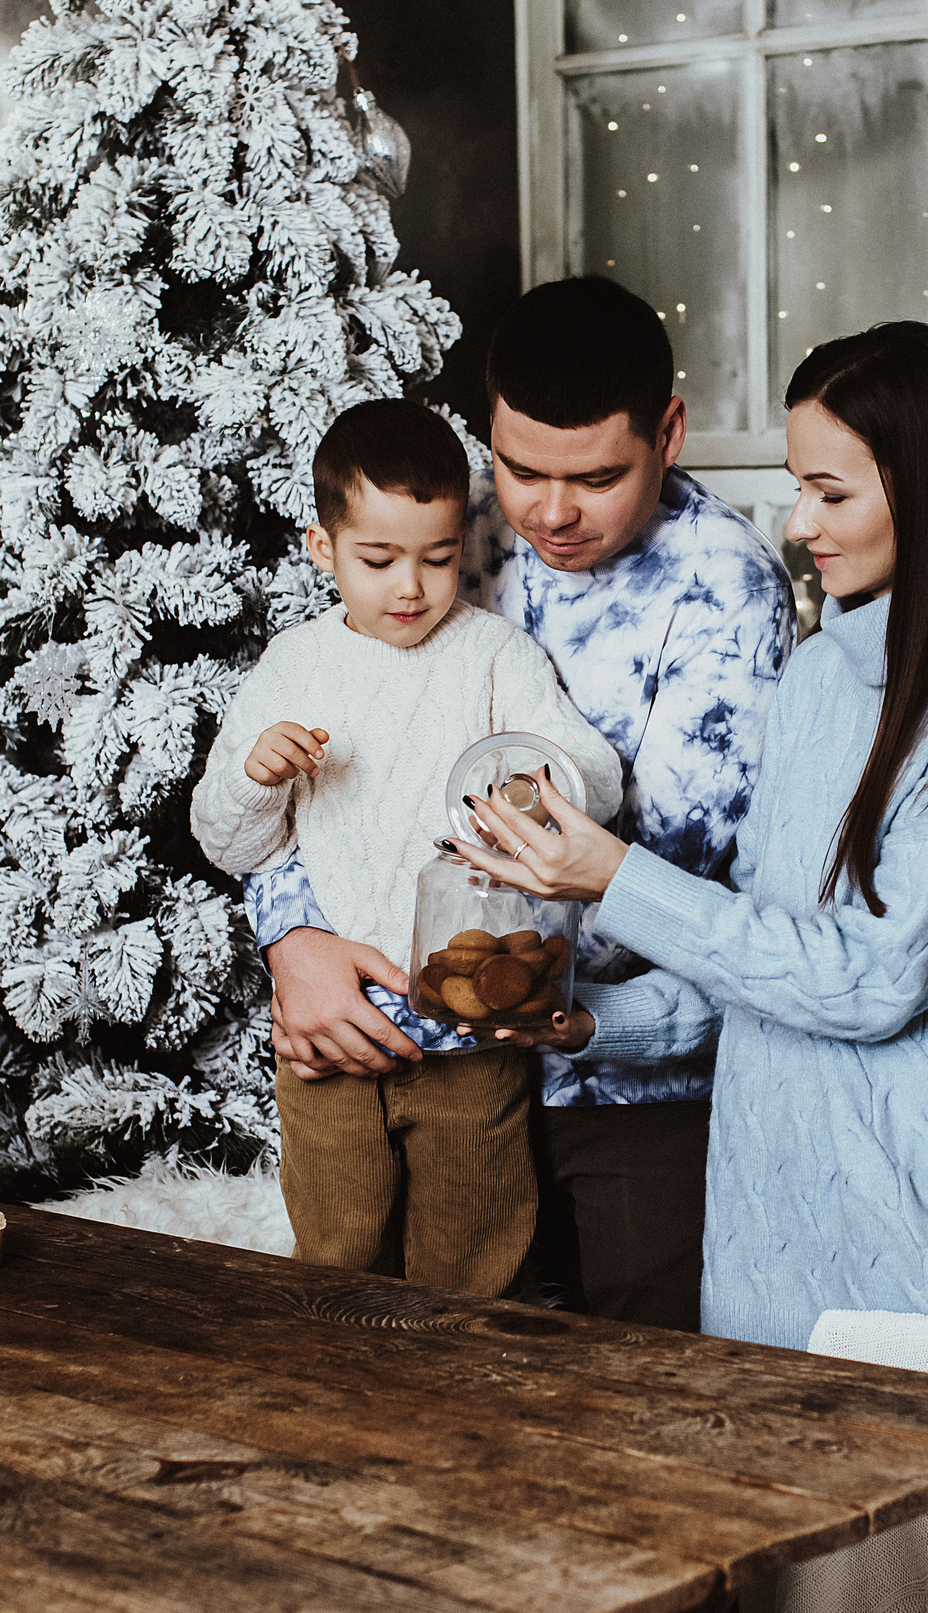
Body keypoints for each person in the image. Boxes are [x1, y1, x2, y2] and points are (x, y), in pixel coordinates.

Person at [447, 321, 928, 1348]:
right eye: (801, 488)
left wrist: (616, 877)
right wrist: (584, 1023)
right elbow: (761, 966)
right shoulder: (817, 676)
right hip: (771, 1252)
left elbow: (869, 979)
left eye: (831, 495)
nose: (800, 524)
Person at [242, 277, 796, 1330]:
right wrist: (295, 941)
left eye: (596, 477)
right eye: (520, 468)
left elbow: (692, 886)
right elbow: (310, 741)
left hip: (621, 1096)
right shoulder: (443, 532)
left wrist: (504, 980)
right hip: (406, 1059)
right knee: (371, 1349)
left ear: (669, 434)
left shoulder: (727, 590)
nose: (550, 511)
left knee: (619, 1385)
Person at [191, 398, 624, 1295]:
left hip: (471, 1033)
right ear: (322, 548)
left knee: (475, 1263)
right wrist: (254, 776)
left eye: (437, 557)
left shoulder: (496, 654)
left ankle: (460, 1381)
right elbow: (230, 843)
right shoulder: (296, 663)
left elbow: (594, 776)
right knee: (338, 1256)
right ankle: (342, 1381)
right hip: (334, 1039)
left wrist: (535, 777)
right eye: (379, 559)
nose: (412, 588)